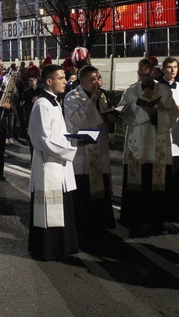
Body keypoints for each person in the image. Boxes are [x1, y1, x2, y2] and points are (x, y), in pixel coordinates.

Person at [119, 58, 176, 237]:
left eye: (147, 74)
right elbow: (122, 109)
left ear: (154, 72)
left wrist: (157, 113)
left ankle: (156, 224)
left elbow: (173, 114)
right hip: (137, 143)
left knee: (156, 188)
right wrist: (135, 111)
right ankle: (134, 224)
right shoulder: (131, 90)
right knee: (135, 189)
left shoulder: (164, 90)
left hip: (156, 144)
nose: (143, 78)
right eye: (140, 74)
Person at [28, 64, 79, 261]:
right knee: (49, 208)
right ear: (49, 81)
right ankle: (48, 249)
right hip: (49, 164)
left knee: (61, 206)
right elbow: (43, 139)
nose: (65, 81)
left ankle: (61, 247)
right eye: (61, 78)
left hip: (58, 162)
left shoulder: (54, 102)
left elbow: (57, 133)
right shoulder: (42, 104)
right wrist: (69, 150)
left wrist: (75, 138)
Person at [63, 65, 116, 238]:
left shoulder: (101, 97)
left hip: (98, 146)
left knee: (100, 184)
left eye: (98, 78)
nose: (96, 82)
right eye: (93, 79)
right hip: (83, 149)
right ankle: (83, 225)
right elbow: (76, 120)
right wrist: (91, 101)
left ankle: (101, 222)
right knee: (84, 189)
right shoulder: (72, 97)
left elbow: (100, 119)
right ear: (83, 80)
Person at [158, 57, 179, 219]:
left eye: (175, 67)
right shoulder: (157, 87)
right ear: (163, 69)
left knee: (178, 170)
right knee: (164, 171)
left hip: (177, 131)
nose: (172, 70)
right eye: (169, 67)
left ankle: (178, 205)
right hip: (162, 132)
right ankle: (164, 205)